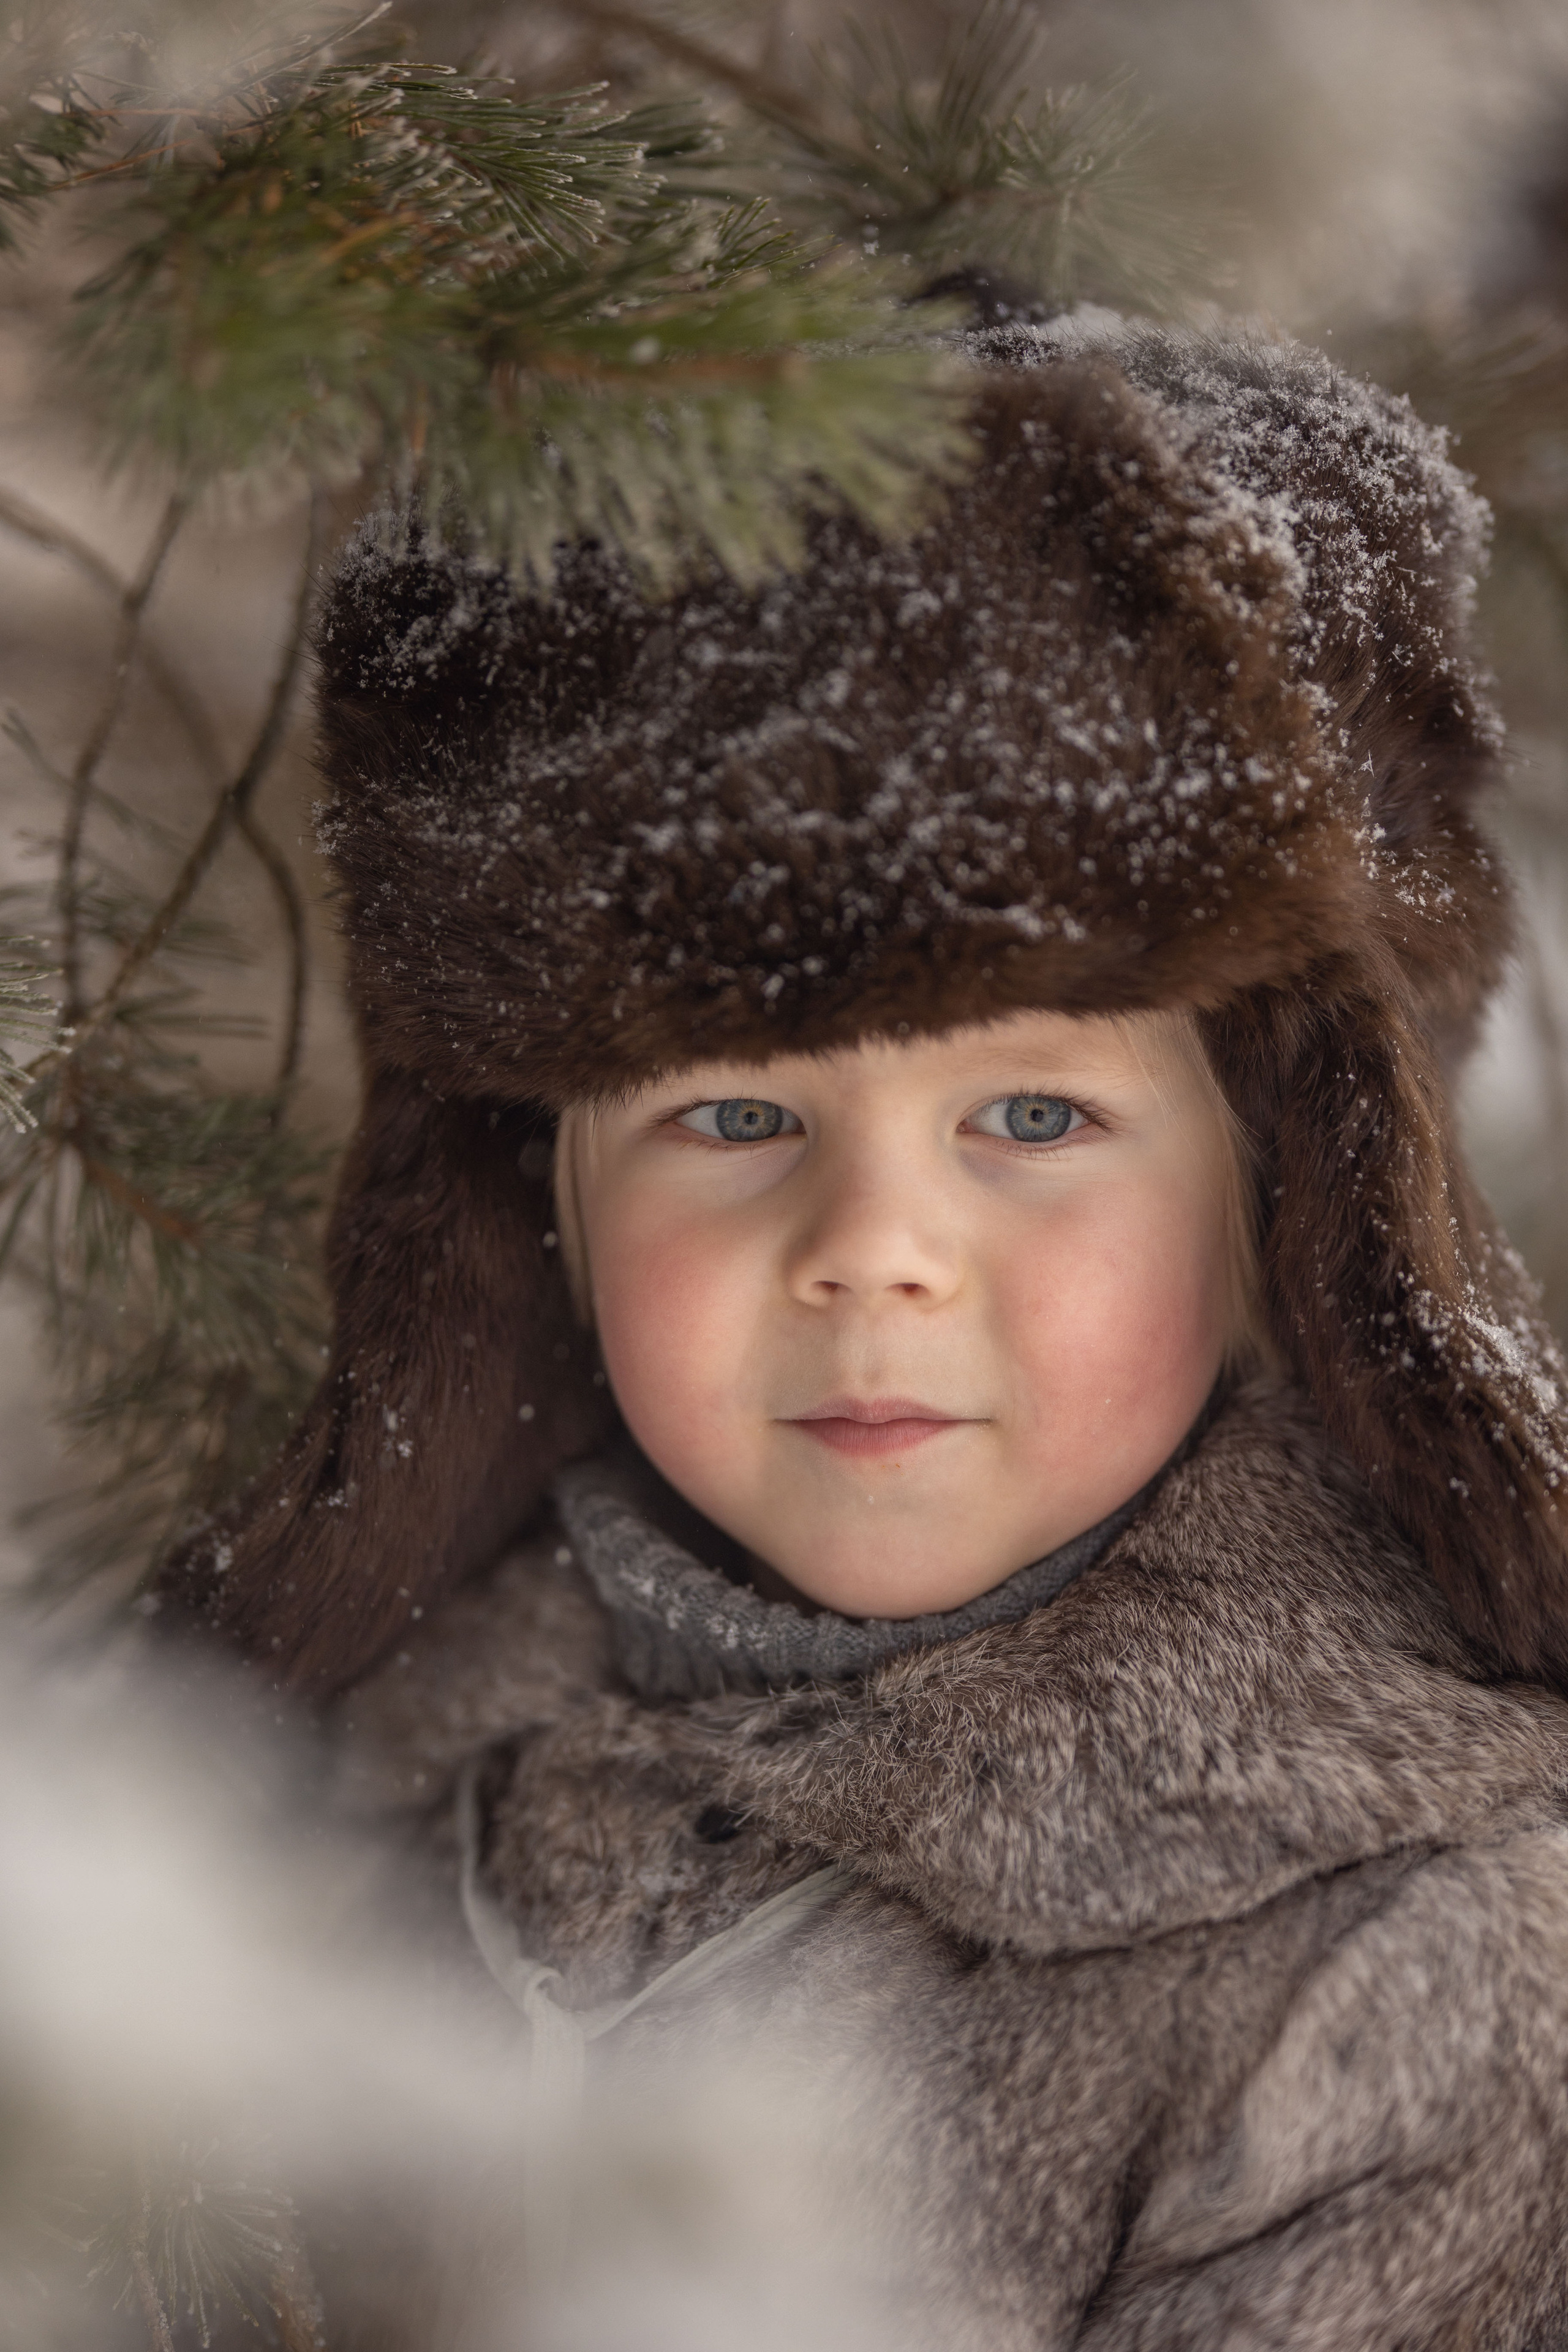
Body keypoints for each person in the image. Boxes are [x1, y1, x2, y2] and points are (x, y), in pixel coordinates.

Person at [168, 314, 1568, 2348]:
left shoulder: (1424, 1967)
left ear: (1277, 1193)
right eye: (737, 1118)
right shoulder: (325, 1822)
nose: (874, 1253)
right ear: (541, 1202)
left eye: (1035, 1118)